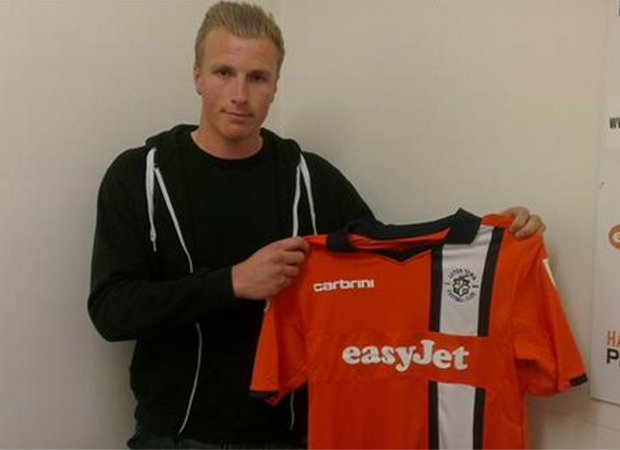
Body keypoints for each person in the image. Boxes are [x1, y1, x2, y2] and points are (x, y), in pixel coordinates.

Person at [88, 2, 545, 449]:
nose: (240, 94)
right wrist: (233, 282)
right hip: (172, 435)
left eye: (257, 77)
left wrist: (490, 239)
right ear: (197, 76)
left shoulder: (309, 178)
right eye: (224, 72)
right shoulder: (140, 176)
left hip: (290, 436)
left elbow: (390, 267)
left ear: (275, 86)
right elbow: (111, 311)